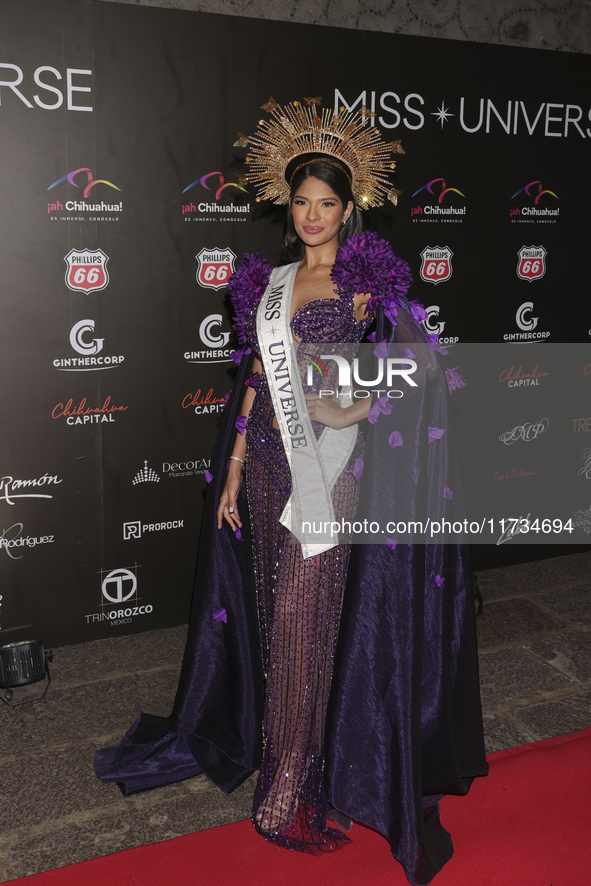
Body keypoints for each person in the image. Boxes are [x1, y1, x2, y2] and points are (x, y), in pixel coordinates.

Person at [95, 98, 488, 886]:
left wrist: (337, 405)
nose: (312, 216)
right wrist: (236, 463)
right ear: (289, 205)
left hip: (331, 470)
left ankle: (295, 785)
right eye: (301, 202)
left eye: (327, 204)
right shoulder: (267, 284)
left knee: (304, 616)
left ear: (350, 210)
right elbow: (251, 381)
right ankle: (292, 759)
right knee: (281, 617)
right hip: (269, 466)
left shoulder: (365, 284)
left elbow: (407, 378)